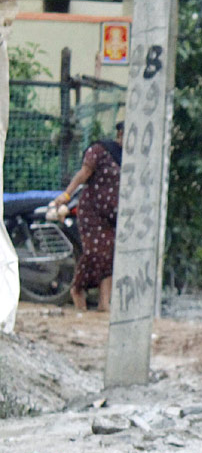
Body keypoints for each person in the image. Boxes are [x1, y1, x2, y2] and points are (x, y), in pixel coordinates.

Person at [52, 122, 123, 313]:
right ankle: (77, 288)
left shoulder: (132, 159)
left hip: (114, 216)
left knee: (110, 257)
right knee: (94, 253)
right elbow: (83, 175)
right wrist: (65, 196)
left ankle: (104, 304)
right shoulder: (100, 150)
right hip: (92, 212)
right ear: (121, 134)